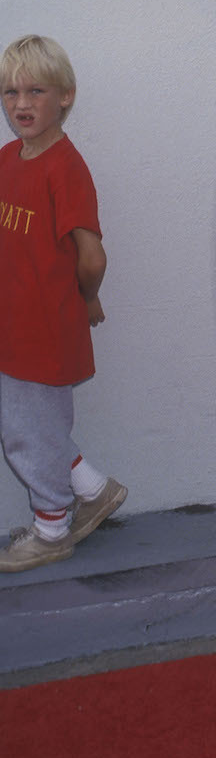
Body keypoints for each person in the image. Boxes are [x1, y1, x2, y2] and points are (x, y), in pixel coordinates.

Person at [0, 35, 127, 572]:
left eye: (36, 90)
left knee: (27, 433)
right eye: (9, 92)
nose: (20, 104)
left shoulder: (65, 167)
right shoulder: (8, 158)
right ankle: (94, 492)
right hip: (13, 324)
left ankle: (53, 526)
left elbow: (91, 255)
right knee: (35, 425)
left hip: (44, 331)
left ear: (66, 97)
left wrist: (89, 298)